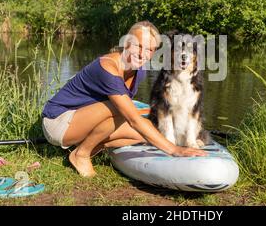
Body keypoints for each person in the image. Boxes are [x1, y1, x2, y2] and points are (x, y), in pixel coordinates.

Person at [41, 21, 206, 177]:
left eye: (149, 49)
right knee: (120, 110)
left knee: (145, 135)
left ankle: (89, 146)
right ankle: (81, 154)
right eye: (138, 46)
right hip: (58, 122)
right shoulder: (107, 67)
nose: (142, 53)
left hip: (83, 121)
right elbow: (132, 117)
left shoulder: (139, 70)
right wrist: (174, 149)